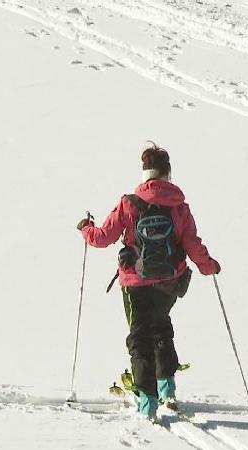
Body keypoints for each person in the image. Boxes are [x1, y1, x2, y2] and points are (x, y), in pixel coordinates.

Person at [77, 143, 220, 422]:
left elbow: (102, 238)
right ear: (168, 173)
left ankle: (147, 402)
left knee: (140, 338)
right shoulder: (179, 207)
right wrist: (208, 266)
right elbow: (192, 243)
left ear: (144, 173)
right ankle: (167, 390)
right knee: (161, 328)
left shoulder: (129, 203)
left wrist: (85, 228)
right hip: (170, 281)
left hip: (135, 283)